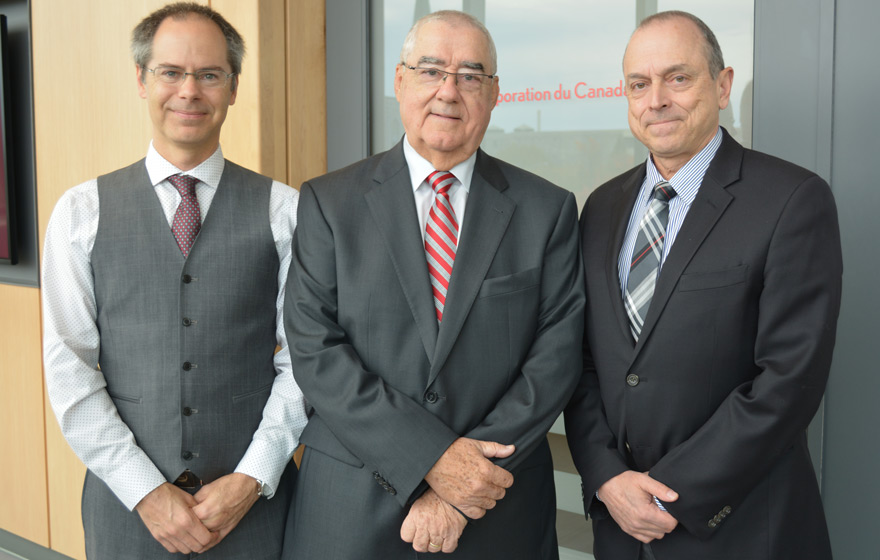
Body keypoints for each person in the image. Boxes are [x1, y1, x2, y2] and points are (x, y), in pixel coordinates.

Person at [282, 9, 584, 559]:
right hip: (352, 505)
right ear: (400, 81)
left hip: (497, 507)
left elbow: (555, 358)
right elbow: (315, 350)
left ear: (494, 94)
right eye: (430, 71)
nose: (449, 90)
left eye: (470, 75)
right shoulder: (329, 203)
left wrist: (464, 484)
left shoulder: (547, 210)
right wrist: (434, 461)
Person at [564, 10, 842, 560]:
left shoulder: (791, 199)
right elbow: (584, 361)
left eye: (678, 77)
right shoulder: (601, 207)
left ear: (722, 84)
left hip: (742, 530)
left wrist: (672, 493)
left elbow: (788, 380)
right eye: (638, 84)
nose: (656, 100)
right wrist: (606, 478)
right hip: (621, 529)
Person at [41, 3, 306, 558]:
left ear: (233, 87)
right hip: (126, 511)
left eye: (209, 74)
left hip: (255, 509)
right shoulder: (80, 212)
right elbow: (69, 369)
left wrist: (251, 477)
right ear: (142, 80)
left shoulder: (286, 212)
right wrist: (145, 491)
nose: (189, 91)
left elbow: (304, 362)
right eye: (171, 72)